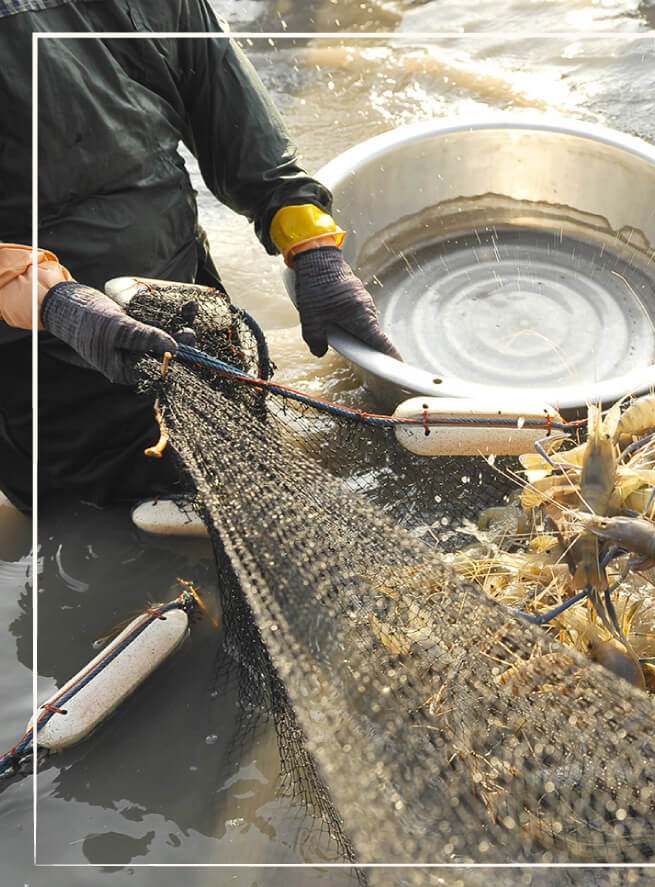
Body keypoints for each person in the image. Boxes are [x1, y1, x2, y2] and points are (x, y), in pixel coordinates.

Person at [0, 0, 399, 515]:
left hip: (184, 301)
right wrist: (48, 298)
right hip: (45, 356)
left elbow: (234, 122)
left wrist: (313, 247)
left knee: (240, 480)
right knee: (96, 533)